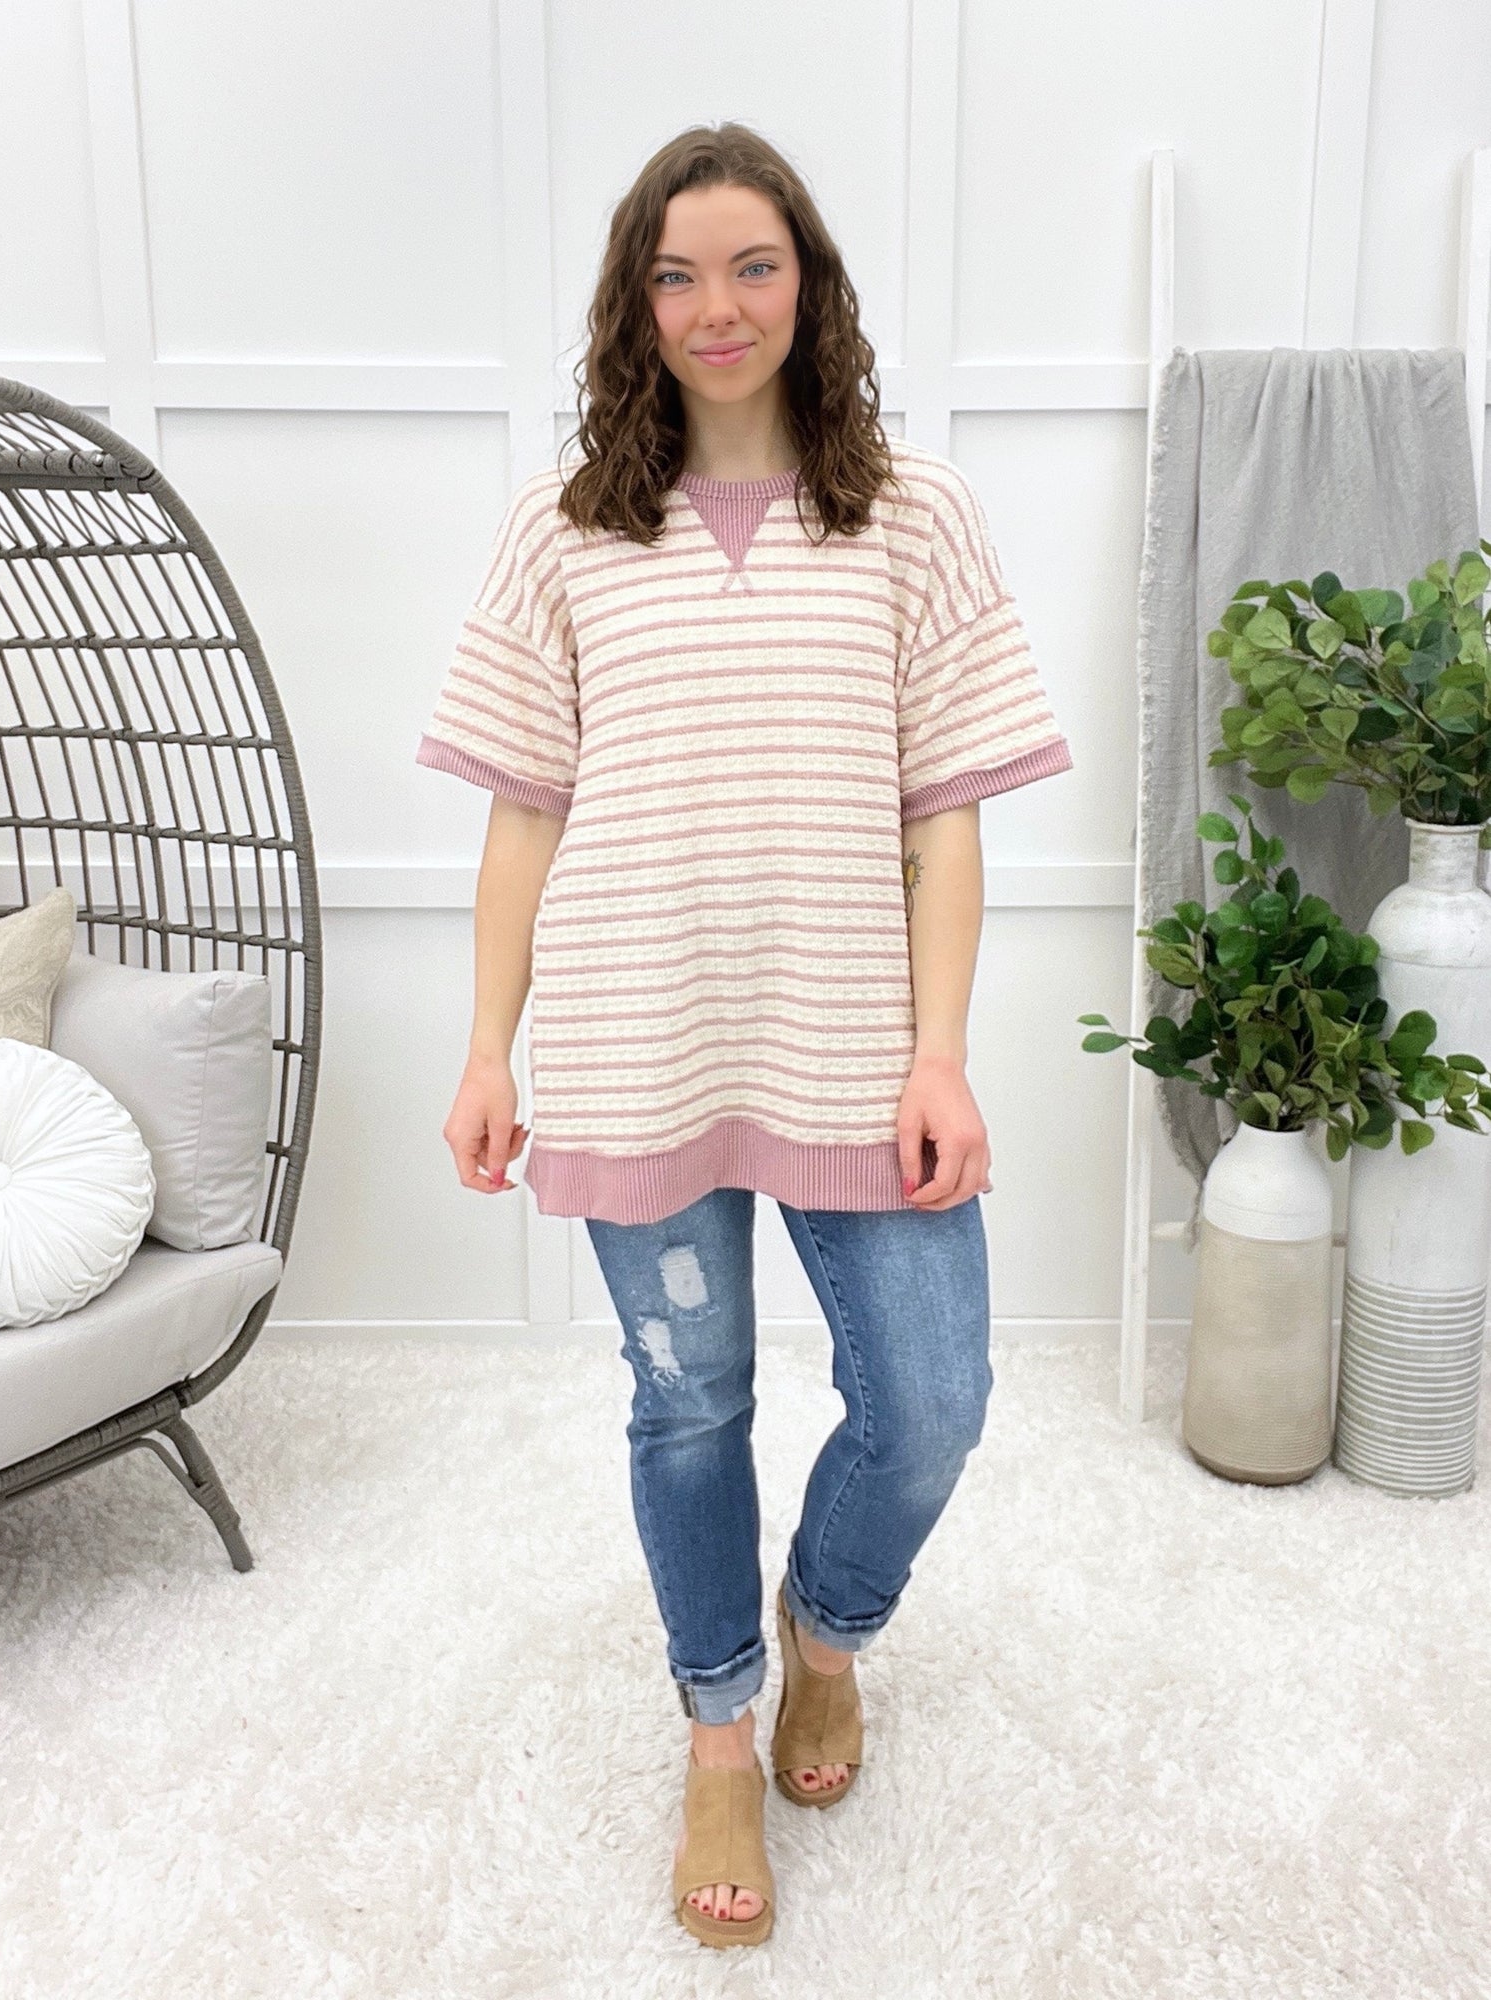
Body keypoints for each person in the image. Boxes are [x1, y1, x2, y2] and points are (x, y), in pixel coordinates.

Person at [415, 122, 1071, 1950]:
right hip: (637, 1040)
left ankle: (824, 1630)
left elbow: (947, 818)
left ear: (811, 284)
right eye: (678, 274)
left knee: (932, 1403)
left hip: (860, 1045)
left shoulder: (913, 514)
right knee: (690, 1401)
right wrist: (488, 1049)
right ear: (634, 304)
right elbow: (524, 817)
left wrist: (942, 1054)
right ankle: (719, 1732)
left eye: (755, 266)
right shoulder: (563, 531)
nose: (719, 306)